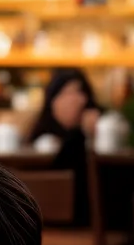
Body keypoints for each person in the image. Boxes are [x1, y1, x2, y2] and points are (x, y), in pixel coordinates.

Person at [28, 68, 100, 226]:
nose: (77, 100)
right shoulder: (41, 141)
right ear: (52, 101)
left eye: (80, 92)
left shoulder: (99, 136)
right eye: (67, 93)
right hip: (44, 226)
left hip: (89, 224)